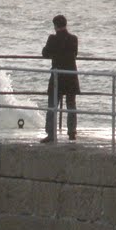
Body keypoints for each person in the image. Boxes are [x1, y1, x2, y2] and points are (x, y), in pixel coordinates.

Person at [40, 14, 80, 143]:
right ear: (65, 25)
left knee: (52, 106)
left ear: (55, 26)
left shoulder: (52, 39)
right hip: (70, 76)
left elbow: (45, 53)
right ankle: (72, 132)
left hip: (57, 76)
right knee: (71, 105)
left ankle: (51, 134)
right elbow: (75, 53)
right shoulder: (73, 39)